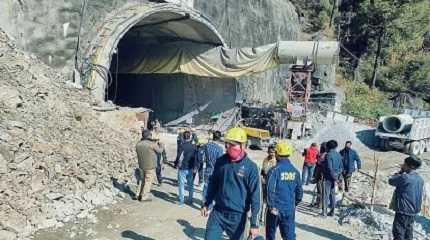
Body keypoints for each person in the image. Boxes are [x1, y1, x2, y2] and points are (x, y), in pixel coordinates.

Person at [202, 127, 260, 240]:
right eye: (227, 144)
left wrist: (254, 224)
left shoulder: (252, 168)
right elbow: (213, 183)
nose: (229, 147)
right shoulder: (221, 161)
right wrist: (206, 202)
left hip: (237, 217)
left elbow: (256, 197)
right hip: (218, 213)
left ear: (243, 145)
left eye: (233, 145)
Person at [266, 141, 303, 240]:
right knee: (289, 236)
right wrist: (294, 203)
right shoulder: (295, 171)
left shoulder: (274, 171)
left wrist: (271, 206)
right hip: (289, 209)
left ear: (277, 154)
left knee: (270, 234)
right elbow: (299, 192)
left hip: (275, 209)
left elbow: (269, 190)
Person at [389, 155, 423, 240]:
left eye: (404, 164)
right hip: (413, 211)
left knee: (398, 232)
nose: (403, 165)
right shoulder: (420, 178)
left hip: (403, 210)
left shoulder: (405, 177)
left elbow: (391, 181)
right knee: (408, 232)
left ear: (410, 166)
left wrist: (400, 172)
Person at [135, 130, 164, 202]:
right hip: (150, 166)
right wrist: (161, 146)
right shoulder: (152, 144)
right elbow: (160, 151)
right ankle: (144, 197)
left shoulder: (138, 144)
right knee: (148, 181)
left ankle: (138, 194)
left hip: (141, 165)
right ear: (149, 136)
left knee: (142, 180)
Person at [201, 131, 224, 205]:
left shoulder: (207, 145)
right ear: (219, 138)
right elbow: (220, 162)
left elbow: (202, 156)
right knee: (213, 189)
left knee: (206, 186)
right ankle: (209, 205)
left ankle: (204, 203)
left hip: (208, 169)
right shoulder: (219, 149)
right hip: (215, 171)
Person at [321, 140, 343, 217]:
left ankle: (324, 213)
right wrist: (336, 177)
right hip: (335, 177)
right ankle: (332, 212)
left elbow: (329, 168)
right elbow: (341, 168)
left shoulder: (328, 155)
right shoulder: (339, 155)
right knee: (332, 195)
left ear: (328, 146)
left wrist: (333, 176)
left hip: (328, 177)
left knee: (325, 195)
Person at [176, 130, 197, 205]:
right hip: (191, 167)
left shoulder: (182, 146)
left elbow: (179, 157)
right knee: (190, 185)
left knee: (181, 184)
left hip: (183, 167)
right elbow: (196, 158)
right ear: (190, 137)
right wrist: (195, 167)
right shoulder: (194, 146)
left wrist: (176, 164)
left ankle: (181, 200)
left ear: (183, 137)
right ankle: (190, 199)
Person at [259, 145, 277, 224]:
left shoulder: (276, 161)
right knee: (262, 201)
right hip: (264, 183)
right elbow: (263, 171)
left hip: (272, 184)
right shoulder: (265, 160)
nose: (271, 154)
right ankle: (260, 218)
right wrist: (262, 177)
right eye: (270, 152)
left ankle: (267, 219)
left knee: (269, 202)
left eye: (272, 152)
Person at [311, 142, 327, 207]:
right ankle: (319, 203)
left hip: (320, 175)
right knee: (321, 191)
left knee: (320, 191)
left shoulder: (322, 155)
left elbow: (318, 166)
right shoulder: (324, 155)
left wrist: (316, 176)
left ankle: (319, 204)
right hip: (322, 175)